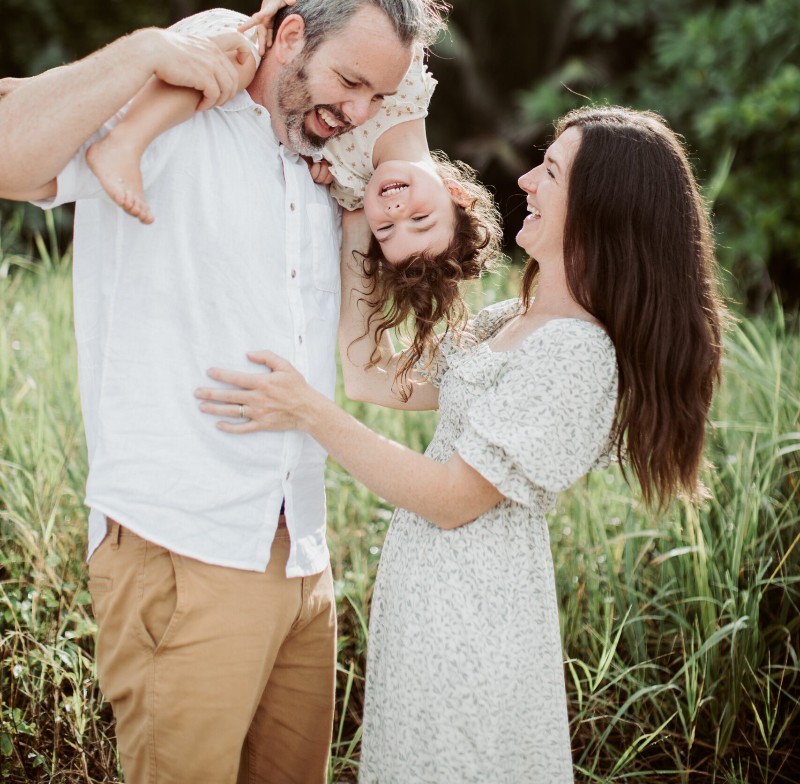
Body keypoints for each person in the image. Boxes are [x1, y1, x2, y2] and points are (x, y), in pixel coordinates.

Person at [1, 0, 445, 784]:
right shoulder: (175, 104)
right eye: (348, 82)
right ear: (290, 35)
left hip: (301, 554)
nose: (356, 111)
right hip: (181, 547)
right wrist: (144, 51)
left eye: (375, 96)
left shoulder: (332, 163)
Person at [196, 105, 725, 784]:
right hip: (427, 609)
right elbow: (371, 376)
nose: (526, 179)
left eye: (551, 172)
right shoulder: (514, 321)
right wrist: (356, 221)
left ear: (603, 208)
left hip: (475, 623)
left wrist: (305, 411)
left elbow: (452, 499)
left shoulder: (576, 353)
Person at [79, 0, 502, 377]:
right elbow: (351, 6)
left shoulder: (347, 186)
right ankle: (126, 140)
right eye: (421, 219)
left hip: (260, 88)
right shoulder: (405, 83)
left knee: (236, 64)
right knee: (242, 55)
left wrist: (322, 164)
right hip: (263, 47)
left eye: (387, 230)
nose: (394, 214)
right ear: (456, 192)